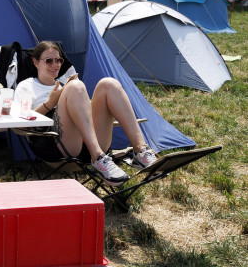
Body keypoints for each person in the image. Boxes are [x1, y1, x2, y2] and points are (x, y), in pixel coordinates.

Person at [14, 40, 158, 186]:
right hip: (56, 145)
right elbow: (21, 121)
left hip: (85, 144)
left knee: (109, 84)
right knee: (75, 86)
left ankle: (141, 151)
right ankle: (98, 158)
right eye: (48, 60)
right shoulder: (27, 86)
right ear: (35, 62)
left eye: (58, 60)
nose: (55, 64)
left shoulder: (65, 84)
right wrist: (50, 103)